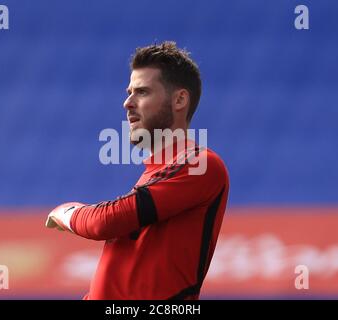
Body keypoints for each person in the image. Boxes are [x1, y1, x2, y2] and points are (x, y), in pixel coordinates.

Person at [45, 41, 230, 300]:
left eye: (142, 92)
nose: (127, 103)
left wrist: (67, 212)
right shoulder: (158, 172)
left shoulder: (201, 164)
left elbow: (105, 222)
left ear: (179, 100)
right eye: (129, 92)